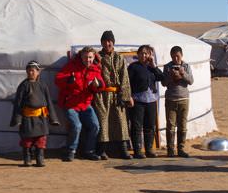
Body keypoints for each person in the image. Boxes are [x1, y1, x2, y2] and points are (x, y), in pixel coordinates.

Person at [55, 46, 104, 162]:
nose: (88, 60)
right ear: (81, 56)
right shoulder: (72, 66)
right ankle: (70, 151)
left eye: (90, 57)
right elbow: (57, 79)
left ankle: (89, 151)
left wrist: (98, 85)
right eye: (86, 57)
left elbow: (101, 84)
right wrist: (68, 80)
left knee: (95, 126)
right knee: (77, 126)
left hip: (85, 104)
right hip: (71, 104)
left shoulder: (95, 69)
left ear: (93, 57)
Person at [10, 60, 60, 167]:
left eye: (32, 71)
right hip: (27, 118)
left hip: (41, 118)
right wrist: (17, 119)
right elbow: (18, 104)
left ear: (38, 72)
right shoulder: (23, 86)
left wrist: (53, 118)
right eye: (28, 71)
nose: (30, 73)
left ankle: (39, 159)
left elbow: (49, 102)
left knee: (41, 140)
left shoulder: (43, 85)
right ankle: (27, 159)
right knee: (27, 140)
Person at [93, 30, 133, 160]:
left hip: (117, 94)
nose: (107, 43)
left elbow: (125, 78)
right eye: (104, 41)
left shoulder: (119, 57)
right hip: (102, 95)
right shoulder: (97, 57)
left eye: (109, 41)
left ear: (113, 42)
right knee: (103, 121)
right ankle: (102, 150)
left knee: (121, 122)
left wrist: (125, 97)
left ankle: (123, 150)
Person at [127, 45, 164, 158]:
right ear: (137, 55)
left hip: (151, 100)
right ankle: (138, 151)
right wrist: (129, 97)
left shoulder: (151, 67)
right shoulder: (133, 67)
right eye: (141, 53)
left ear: (149, 55)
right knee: (137, 126)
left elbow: (161, 77)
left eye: (146, 53)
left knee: (150, 125)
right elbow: (127, 83)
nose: (144, 55)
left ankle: (149, 149)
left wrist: (153, 65)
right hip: (138, 100)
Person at [162, 46, 194, 157]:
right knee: (170, 125)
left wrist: (182, 73)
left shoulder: (186, 66)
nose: (176, 58)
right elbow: (164, 83)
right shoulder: (167, 67)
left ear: (181, 55)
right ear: (171, 56)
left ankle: (181, 149)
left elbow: (191, 81)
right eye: (173, 56)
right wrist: (171, 76)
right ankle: (170, 150)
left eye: (178, 56)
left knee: (182, 125)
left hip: (184, 99)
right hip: (171, 99)